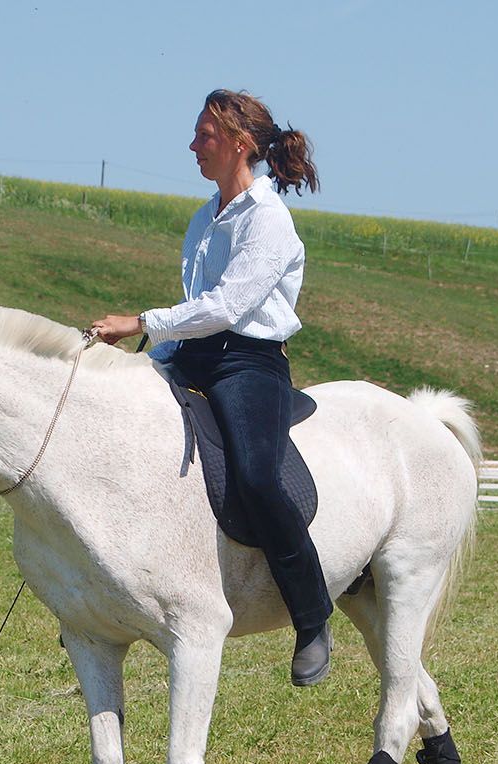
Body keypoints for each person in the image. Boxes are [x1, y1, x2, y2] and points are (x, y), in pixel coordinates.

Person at [88, 88, 333, 687]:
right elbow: (199, 313)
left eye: (204, 135)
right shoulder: (204, 218)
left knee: (254, 474)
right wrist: (139, 362)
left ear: (240, 144)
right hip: (192, 355)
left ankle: (312, 614)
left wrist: (141, 323)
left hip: (249, 363)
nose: (193, 145)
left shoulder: (269, 220)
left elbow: (224, 307)